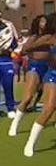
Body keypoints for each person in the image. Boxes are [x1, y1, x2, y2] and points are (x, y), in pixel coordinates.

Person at [18, 23, 56, 156]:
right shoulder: (50, 38)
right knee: (49, 108)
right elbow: (27, 48)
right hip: (53, 75)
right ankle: (30, 143)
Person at [10, 14, 51, 136]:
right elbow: (24, 50)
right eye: (42, 22)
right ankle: (15, 123)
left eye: (46, 22)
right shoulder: (34, 37)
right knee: (28, 97)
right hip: (35, 66)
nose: (44, 24)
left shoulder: (51, 36)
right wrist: (38, 44)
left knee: (49, 100)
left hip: (49, 67)